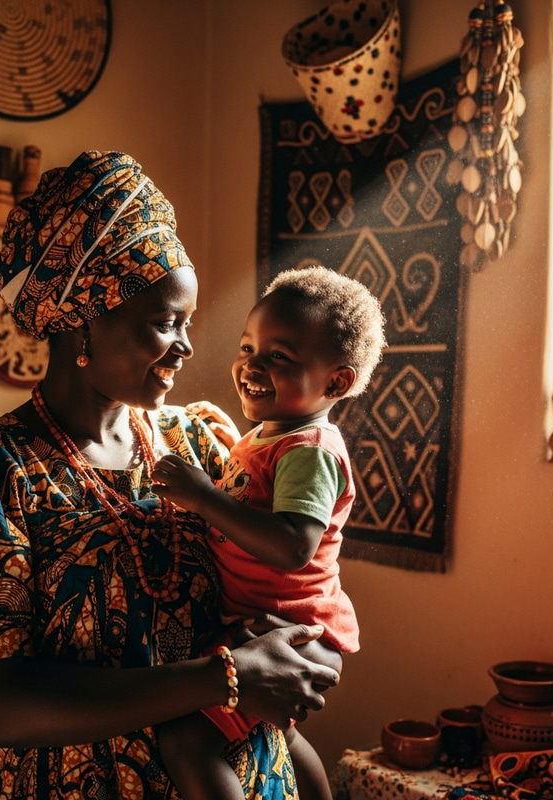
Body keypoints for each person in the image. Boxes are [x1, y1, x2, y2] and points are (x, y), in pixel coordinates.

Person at [0, 151, 343, 800]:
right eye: (164, 324)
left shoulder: (204, 440)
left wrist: (293, 649)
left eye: (189, 323)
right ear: (84, 322)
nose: (187, 347)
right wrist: (223, 679)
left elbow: (286, 576)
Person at [151, 266, 387, 800]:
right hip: (274, 622)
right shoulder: (271, 435)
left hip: (294, 628)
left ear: (336, 382)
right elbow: (255, 496)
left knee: (188, 743)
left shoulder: (309, 449)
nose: (252, 365)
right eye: (248, 347)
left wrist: (202, 498)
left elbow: (290, 546)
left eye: (278, 356)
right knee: (271, 731)